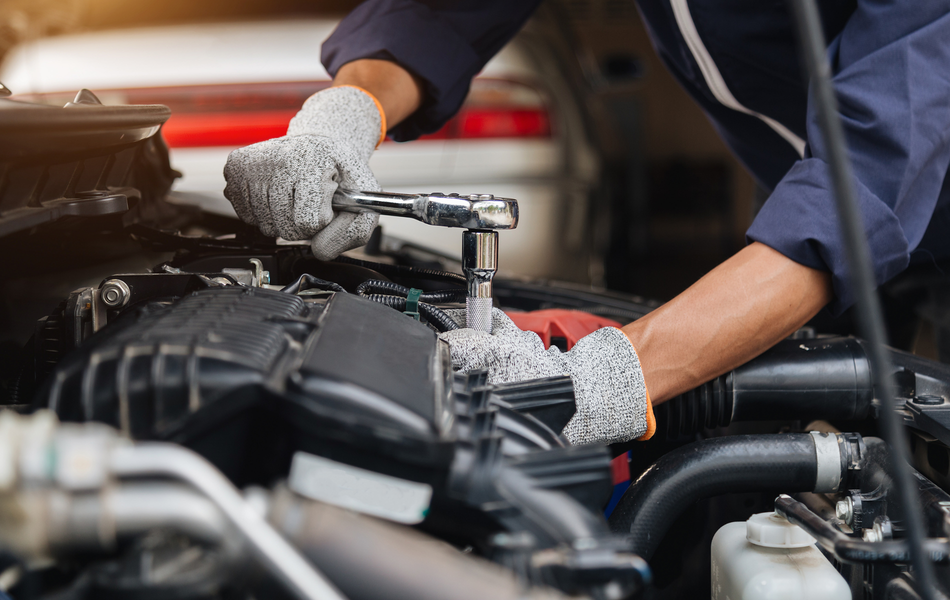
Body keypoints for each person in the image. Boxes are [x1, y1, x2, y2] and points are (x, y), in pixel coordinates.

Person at [223, 0, 950, 446]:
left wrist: (603, 375)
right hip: (838, 240)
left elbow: (866, 179)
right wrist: (343, 116)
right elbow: (435, 13)